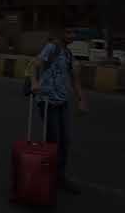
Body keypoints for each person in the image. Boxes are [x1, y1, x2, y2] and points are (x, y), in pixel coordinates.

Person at [31, 27, 88, 195]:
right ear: (60, 33)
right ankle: (48, 175)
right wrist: (34, 83)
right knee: (53, 140)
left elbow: (75, 80)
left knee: (65, 141)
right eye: (68, 32)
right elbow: (35, 65)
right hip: (48, 102)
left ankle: (59, 176)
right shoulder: (51, 48)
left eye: (73, 33)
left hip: (62, 102)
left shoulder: (69, 55)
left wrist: (81, 100)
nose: (72, 36)